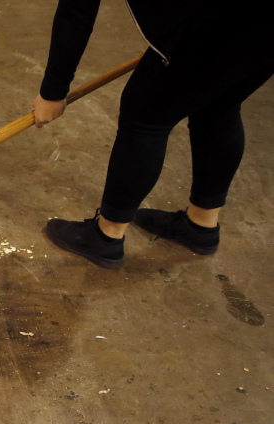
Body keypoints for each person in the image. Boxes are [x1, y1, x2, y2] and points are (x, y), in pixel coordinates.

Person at [35, 0, 274, 268]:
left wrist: (53, 92)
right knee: (218, 106)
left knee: (145, 115)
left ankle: (106, 236)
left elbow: (77, 10)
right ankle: (200, 225)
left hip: (223, 15)